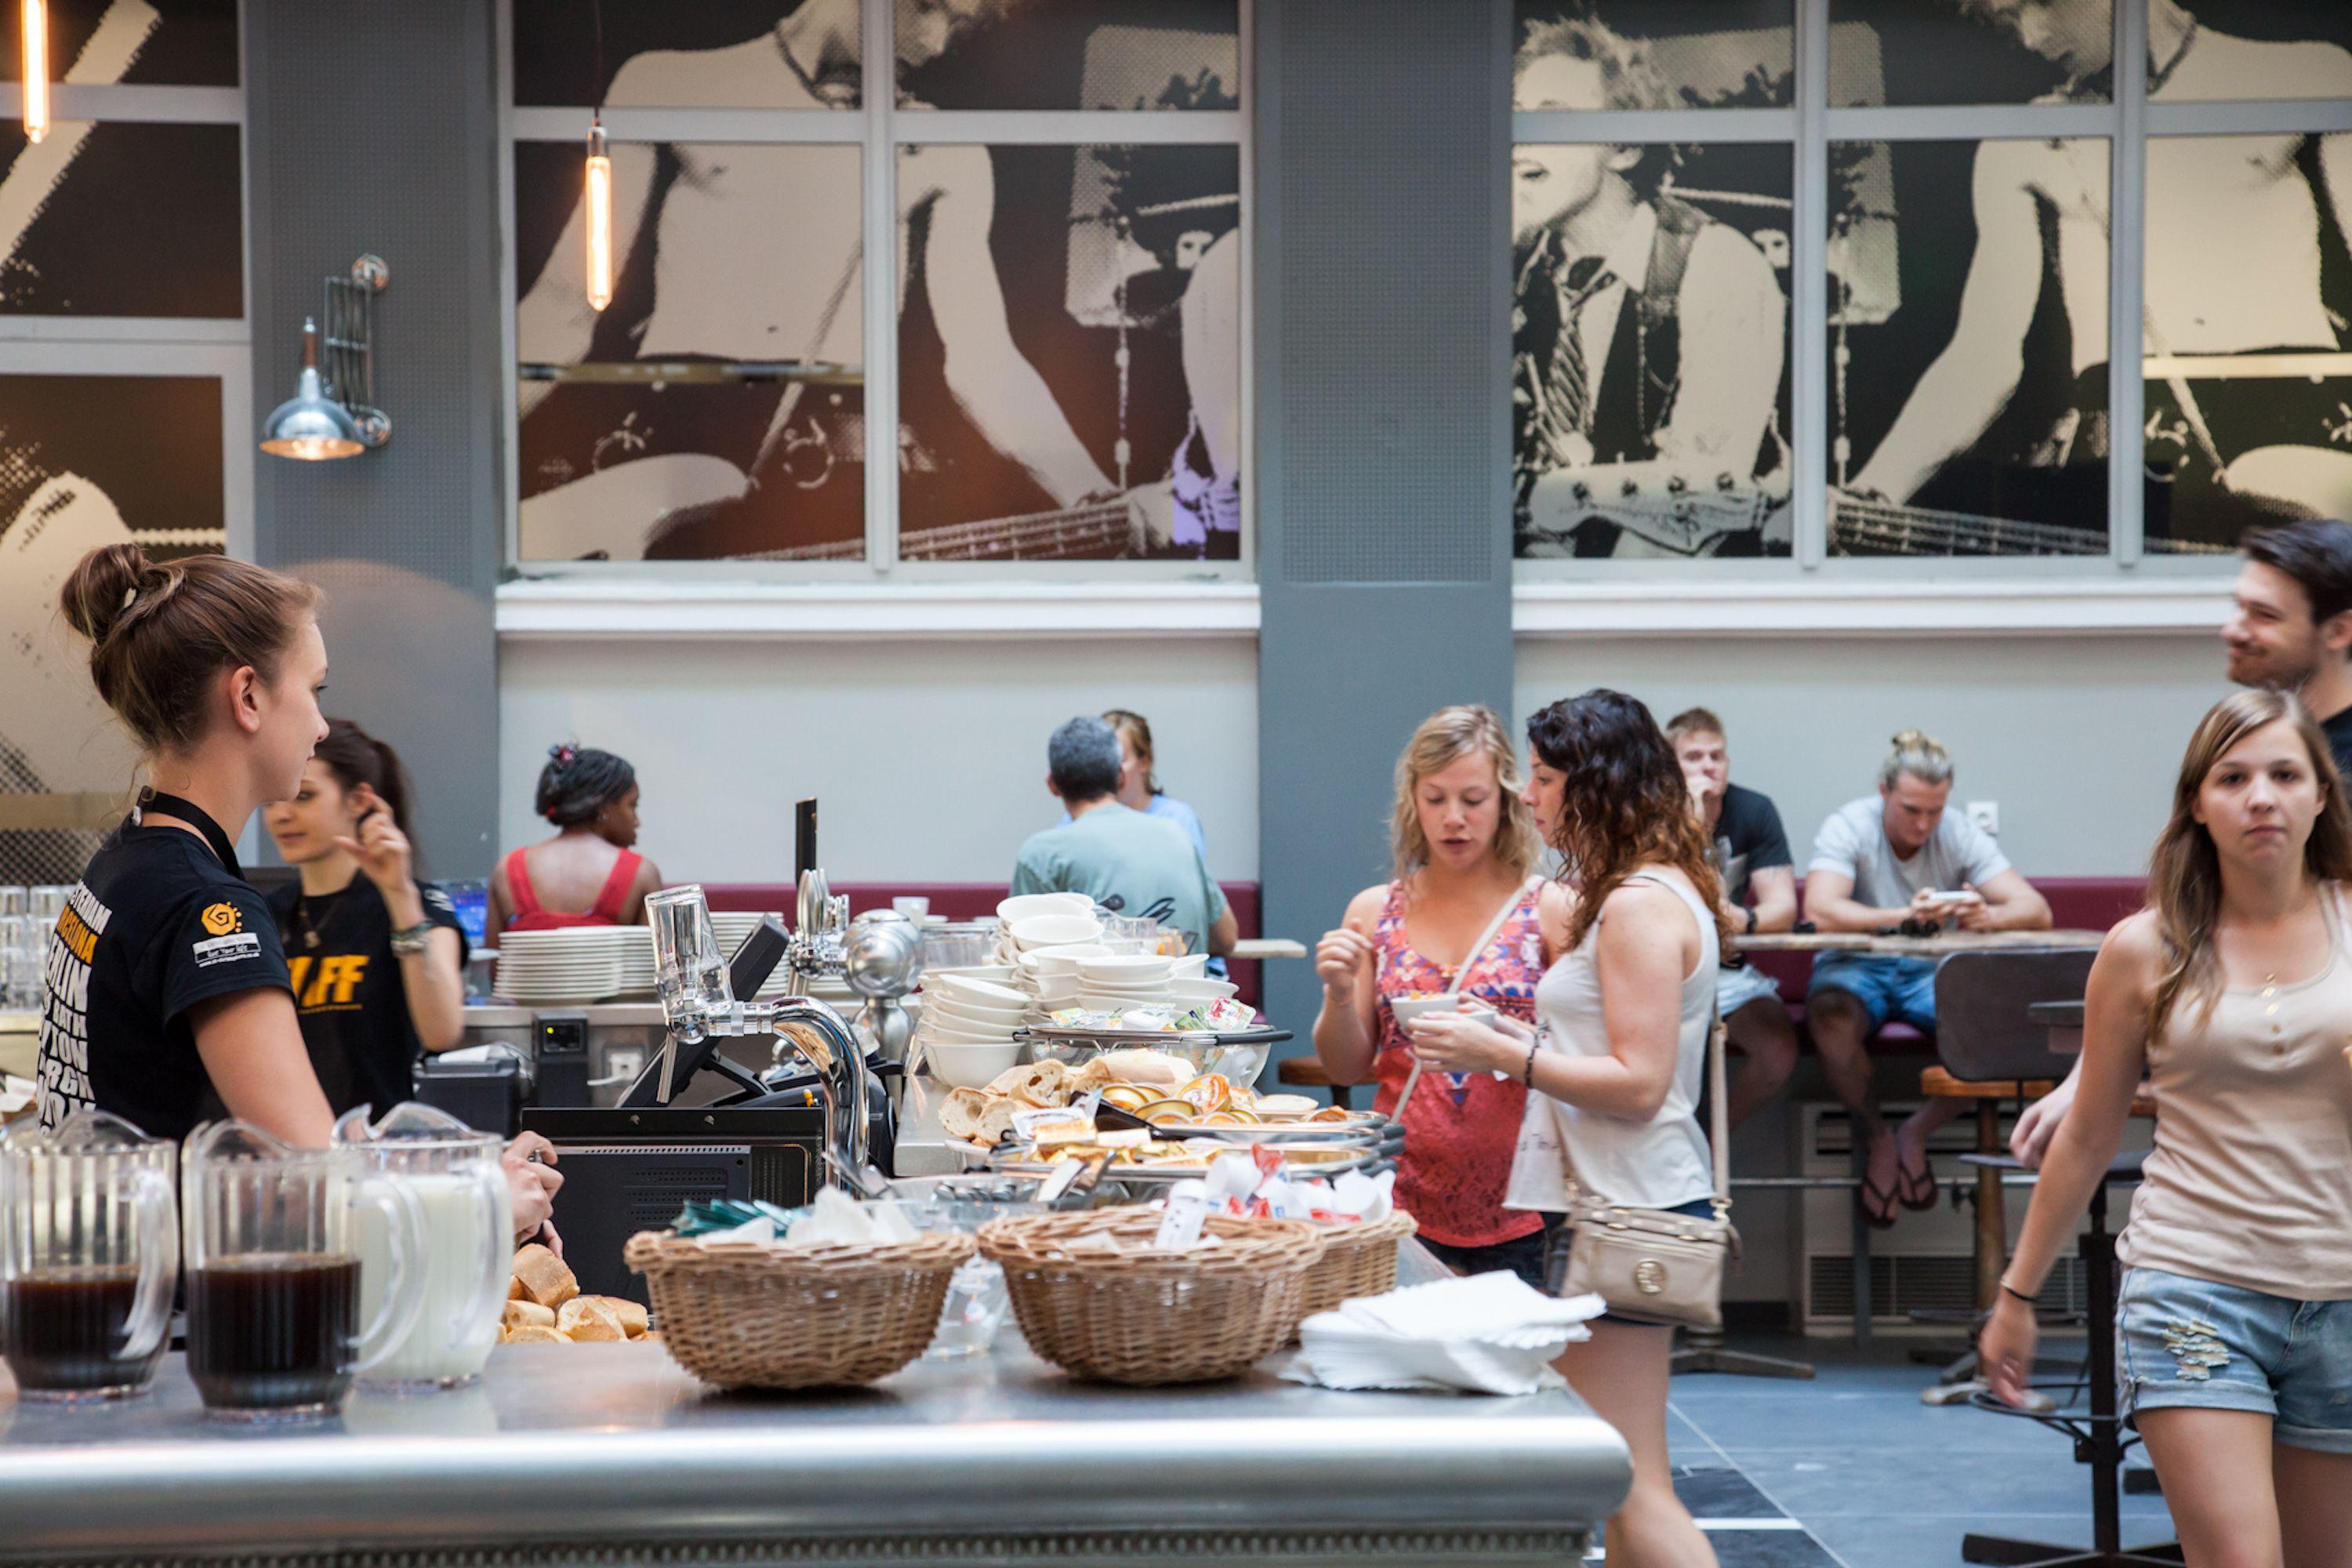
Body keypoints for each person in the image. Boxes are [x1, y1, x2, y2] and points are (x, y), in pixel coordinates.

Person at [514, 0, 1122, 561]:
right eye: (926, 5)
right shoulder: (666, 84)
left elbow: (983, 358)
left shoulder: (943, 146)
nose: (935, 42)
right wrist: (461, 465)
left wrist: (1092, 494)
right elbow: (566, 303)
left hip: (840, 469)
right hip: (667, 457)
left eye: (962, 28)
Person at [1980, 689, 2352, 1564]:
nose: (2261, 795)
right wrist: (2017, 1293)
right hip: (2196, 1287)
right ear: (2198, 800)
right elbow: (2088, 1131)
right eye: (2234, 776)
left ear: (2321, 795)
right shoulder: (2146, 947)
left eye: (2284, 774)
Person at [1407, 689, 1727, 1568]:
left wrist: (1500, 1053)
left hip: (1628, 1199)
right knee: (1615, 1475)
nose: (1527, 796)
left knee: (1632, 1481)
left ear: (1597, 786)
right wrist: (1508, 1032)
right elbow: (1610, 1048)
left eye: (1543, 779)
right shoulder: (1645, 891)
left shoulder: (1635, 905)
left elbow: (1638, 1082)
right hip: (1618, 1193)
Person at [1846, 2, 2352, 549]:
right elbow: (1983, 354)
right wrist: (1875, 491)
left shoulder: (2304, 75)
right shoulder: (2029, 141)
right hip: (2124, 431)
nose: (2032, 36)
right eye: (2004, 21)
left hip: (2295, 414)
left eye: (2042, 3)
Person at [2015, 517, 2352, 1167]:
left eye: (2263, 615)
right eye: (2239, 607)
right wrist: (2092, 1072)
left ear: (2338, 630)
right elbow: (2199, 916)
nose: (2234, 628)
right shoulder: (2268, 748)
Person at [31, 544, 337, 1146]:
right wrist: (482, 1190)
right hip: (157, 1242)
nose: (323, 726)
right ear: (248, 697)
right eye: (316, 689)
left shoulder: (124, 862)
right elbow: (320, 1175)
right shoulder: (205, 909)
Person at [1512, 16, 1788, 559]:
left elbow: (1682, 529)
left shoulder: (1716, 266)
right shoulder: (1515, 275)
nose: (1517, 141)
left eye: (1553, 120)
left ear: (1624, 148)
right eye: (1515, 119)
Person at [1311, 706, 1566, 1286]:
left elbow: (1579, 1057)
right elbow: (1346, 1065)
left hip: (1528, 1207)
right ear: (1412, 802)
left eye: (1473, 800)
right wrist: (1339, 992)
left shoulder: (1549, 910)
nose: (1454, 819)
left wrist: (1505, 1041)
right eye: (1436, 799)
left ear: (1506, 799)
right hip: (1403, 1200)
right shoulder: (1375, 910)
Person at [1806, 730, 2053, 1226]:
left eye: (1934, 812)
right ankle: (1877, 1135)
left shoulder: (1958, 831)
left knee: (2007, 1034)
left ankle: (1914, 1133)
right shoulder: (1849, 825)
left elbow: (2035, 910)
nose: (1923, 825)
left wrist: (1987, 916)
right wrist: (1903, 916)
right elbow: (1819, 909)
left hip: (1929, 970)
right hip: (1855, 966)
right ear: (1884, 793)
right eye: (1911, 809)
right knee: (1830, 1019)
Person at [262, 720, 468, 1116]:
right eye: (273, 799)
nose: (281, 815)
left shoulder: (418, 904)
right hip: (286, 1151)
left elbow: (442, 1031)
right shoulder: (266, 914)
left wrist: (399, 894)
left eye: (304, 797)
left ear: (358, 801)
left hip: (377, 1152)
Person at [1667, 707, 1802, 1129]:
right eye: (1693, 757)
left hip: (1729, 970)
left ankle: (1707, 1146)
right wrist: (1689, 813)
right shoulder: (1650, 813)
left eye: (1717, 756)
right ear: (1669, 767)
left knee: (1778, 1049)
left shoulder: (1754, 810)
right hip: (1665, 972)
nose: (1708, 766)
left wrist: (1740, 919)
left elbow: (1782, 909)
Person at [1011, 717, 1236, 959]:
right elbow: (1226, 938)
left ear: (1052, 784)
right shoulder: (1177, 833)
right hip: (1190, 996)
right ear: (1121, 777)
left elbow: (1023, 956)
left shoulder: (1040, 855)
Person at [488, 746, 662, 934]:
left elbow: (495, 962)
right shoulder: (641, 873)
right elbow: (659, 962)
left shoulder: (507, 870)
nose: (636, 821)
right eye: (632, 805)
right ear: (604, 807)